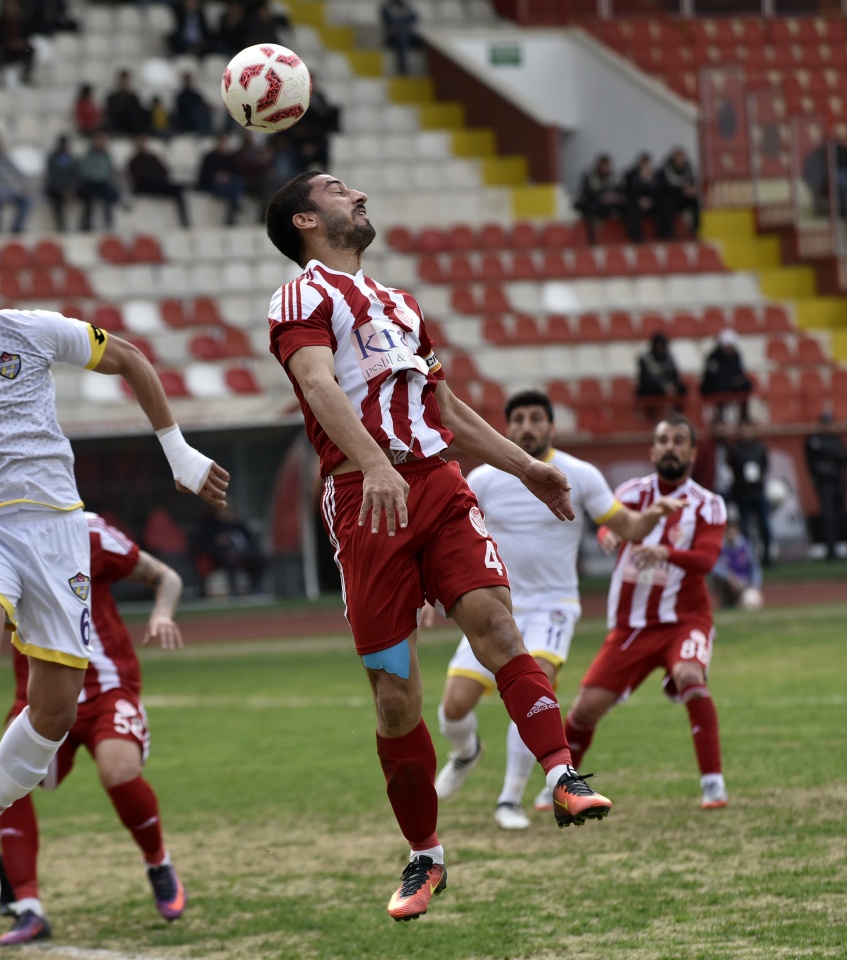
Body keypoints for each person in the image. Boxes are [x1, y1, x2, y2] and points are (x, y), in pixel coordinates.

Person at [264, 171, 610, 923]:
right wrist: (374, 463)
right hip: (366, 500)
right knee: (395, 697)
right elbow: (319, 386)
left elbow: (443, 407)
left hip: (440, 486)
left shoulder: (400, 304)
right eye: (337, 190)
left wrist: (526, 468)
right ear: (304, 221)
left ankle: (562, 775)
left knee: (498, 627)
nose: (358, 195)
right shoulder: (301, 296)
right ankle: (426, 854)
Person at [0, 210, 228, 913]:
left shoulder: (31, 331)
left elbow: (130, 358)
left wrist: (178, 453)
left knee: (55, 710)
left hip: (58, 530)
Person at [0, 512, 190, 945]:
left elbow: (165, 576)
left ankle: (158, 862)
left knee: (118, 770)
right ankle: (28, 907)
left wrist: (163, 615)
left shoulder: (88, 531)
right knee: (10, 783)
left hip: (107, 686)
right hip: (38, 695)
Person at [431, 390, 681, 830]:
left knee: (535, 689)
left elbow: (626, 525)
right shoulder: (483, 479)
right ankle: (467, 752)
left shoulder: (579, 475)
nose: (526, 427)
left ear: (551, 426)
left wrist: (653, 517)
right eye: (518, 419)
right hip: (496, 607)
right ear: (507, 426)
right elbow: (451, 538)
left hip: (553, 606)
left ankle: (509, 800)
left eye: (536, 418)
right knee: (453, 708)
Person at [562, 416, 729, 811]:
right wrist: (608, 535)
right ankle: (561, 785)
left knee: (690, 676)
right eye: (663, 440)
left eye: (679, 440)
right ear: (652, 451)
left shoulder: (708, 504)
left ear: (692, 452)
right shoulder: (632, 493)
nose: (670, 447)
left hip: (685, 619)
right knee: (584, 708)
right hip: (632, 626)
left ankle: (713, 784)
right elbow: (608, 525)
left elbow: (706, 559)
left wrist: (665, 552)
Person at [804, 407, 847, 560]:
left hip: (838, 482)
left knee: (839, 516)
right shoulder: (815, 440)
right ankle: (831, 549)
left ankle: (839, 545)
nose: (828, 426)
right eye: (825, 423)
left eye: (830, 423)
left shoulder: (836, 439)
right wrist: (832, 458)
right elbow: (815, 461)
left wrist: (832, 458)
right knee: (828, 517)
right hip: (825, 484)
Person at [726, 421, 771, 566]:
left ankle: (767, 556)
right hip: (742, 492)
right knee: (745, 527)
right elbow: (731, 467)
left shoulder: (759, 447)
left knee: (764, 524)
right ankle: (746, 557)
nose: (746, 432)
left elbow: (765, 465)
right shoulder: (735, 449)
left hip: (758, 490)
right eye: (743, 429)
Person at [128, 136, 190, 228]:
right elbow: (138, 178)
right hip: (145, 186)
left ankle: (184, 221)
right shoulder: (134, 161)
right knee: (155, 181)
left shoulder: (153, 158)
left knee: (177, 190)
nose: (142, 145)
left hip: (159, 184)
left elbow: (164, 171)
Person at [0, 132, 32, 235]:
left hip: (5, 190)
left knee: (27, 200)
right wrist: (0, 194)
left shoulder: (4, 158)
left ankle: (16, 227)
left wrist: (24, 187)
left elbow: (17, 172)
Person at [699, 328, 751, 422]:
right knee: (721, 385)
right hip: (714, 386)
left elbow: (740, 371)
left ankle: (744, 418)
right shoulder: (714, 357)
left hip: (731, 384)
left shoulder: (736, 355)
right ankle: (719, 418)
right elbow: (712, 376)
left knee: (746, 385)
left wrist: (738, 379)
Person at [709, 517, 761, 609]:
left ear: (737, 531)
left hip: (744, 582)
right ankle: (726, 600)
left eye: (733, 530)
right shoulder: (719, 546)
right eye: (728, 531)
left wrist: (755, 586)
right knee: (716, 578)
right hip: (728, 581)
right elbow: (714, 567)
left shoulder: (745, 546)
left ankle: (740, 598)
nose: (731, 533)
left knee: (751, 599)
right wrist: (729, 577)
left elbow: (755, 567)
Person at [574, 153, 625, 244]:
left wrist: (615, 197)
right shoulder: (589, 176)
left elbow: (620, 190)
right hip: (593, 204)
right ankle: (593, 240)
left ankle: (627, 237)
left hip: (609, 204)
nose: (606, 168)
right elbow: (587, 192)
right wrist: (602, 196)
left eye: (607, 166)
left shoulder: (613, 177)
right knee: (590, 210)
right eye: (604, 165)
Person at [77, 131, 123, 231]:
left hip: (103, 183)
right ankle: (86, 223)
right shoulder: (88, 156)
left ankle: (109, 221)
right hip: (90, 182)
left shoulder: (107, 156)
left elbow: (110, 170)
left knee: (110, 192)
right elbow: (85, 171)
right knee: (88, 194)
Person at [197, 132, 246, 226]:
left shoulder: (229, 158)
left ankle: (232, 213)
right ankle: (233, 210)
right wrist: (216, 177)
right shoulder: (209, 157)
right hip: (212, 185)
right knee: (233, 191)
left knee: (238, 183)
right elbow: (203, 175)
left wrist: (227, 176)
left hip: (227, 185)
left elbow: (236, 171)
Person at [655, 147, 699, 240]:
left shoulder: (688, 169)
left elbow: (691, 182)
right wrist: (681, 190)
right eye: (678, 159)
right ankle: (667, 233)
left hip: (682, 198)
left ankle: (695, 229)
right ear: (673, 160)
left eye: (682, 159)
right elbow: (664, 188)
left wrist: (691, 190)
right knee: (668, 204)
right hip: (668, 198)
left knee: (694, 201)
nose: (680, 161)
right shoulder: (665, 171)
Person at [635, 331, 686, 410]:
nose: (660, 348)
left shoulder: (669, 359)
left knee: (682, 389)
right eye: (658, 345)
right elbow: (645, 380)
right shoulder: (645, 360)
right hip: (652, 391)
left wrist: (672, 386)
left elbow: (675, 376)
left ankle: (676, 413)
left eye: (662, 345)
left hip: (669, 389)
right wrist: (663, 387)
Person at [44, 135, 78, 233]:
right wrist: (64, 190)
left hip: (69, 188)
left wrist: (71, 189)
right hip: (57, 188)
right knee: (56, 197)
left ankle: (82, 225)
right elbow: (53, 177)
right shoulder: (53, 158)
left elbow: (75, 175)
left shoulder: (72, 158)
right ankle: (61, 226)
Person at [623, 152, 658, 243]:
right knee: (632, 207)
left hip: (650, 202)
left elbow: (658, 192)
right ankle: (635, 236)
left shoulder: (654, 175)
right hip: (636, 201)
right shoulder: (630, 174)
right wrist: (641, 181)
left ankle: (663, 233)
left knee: (665, 203)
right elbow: (629, 191)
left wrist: (649, 183)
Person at [380, 0, 420, 75]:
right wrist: (404, 22)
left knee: (423, 40)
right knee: (402, 40)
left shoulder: (407, 8)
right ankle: (403, 71)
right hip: (393, 38)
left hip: (408, 36)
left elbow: (414, 18)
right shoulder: (386, 8)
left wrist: (400, 22)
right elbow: (390, 21)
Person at [105, 70, 149, 137]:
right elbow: (111, 113)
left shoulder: (133, 98)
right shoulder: (112, 97)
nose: (124, 83)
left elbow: (137, 113)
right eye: (122, 81)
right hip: (116, 125)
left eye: (126, 81)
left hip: (130, 126)